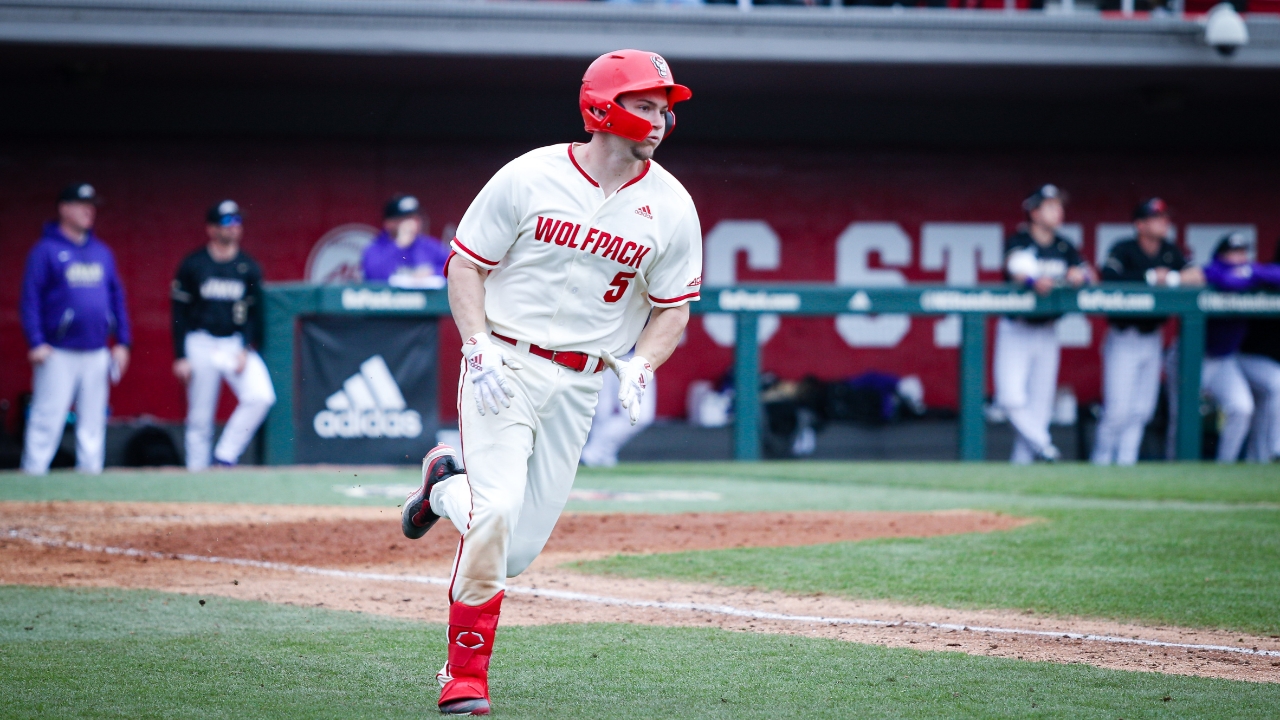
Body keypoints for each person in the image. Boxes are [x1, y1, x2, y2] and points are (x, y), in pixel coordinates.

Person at [398, 49, 701, 716]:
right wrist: (476, 346)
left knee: (516, 552)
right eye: (645, 105)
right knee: (498, 511)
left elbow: (672, 308)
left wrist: (641, 363)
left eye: (664, 109)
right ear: (603, 107)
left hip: (581, 383)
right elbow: (466, 267)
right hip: (502, 365)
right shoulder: (528, 176)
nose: (658, 120)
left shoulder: (673, 205)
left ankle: (444, 484)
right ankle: (464, 676)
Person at [19, 183, 132, 474]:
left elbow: (116, 297)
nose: (88, 210)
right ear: (64, 209)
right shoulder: (45, 250)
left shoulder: (101, 252)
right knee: (47, 417)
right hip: (57, 351)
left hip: (96, 350)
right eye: (81, 204)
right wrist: (36, 342)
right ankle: (32, 477)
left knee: (93, 421)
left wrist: (122, 342)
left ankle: (89, 484)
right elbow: (30, 298)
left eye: (91, 205)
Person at [1091, 198, 1203, 465]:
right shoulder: (1124, 249)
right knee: (1117, 411)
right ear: (1140, 225)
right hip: (1123, 336)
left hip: (1152, 338)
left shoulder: (1169, 250)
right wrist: (1152, 277)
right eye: (1156, 218)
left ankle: (1126, 465)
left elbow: (1197, 275)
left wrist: (1172, 278)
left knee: (1142, 410)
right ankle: (1100, 463)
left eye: (1165, 217)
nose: (1164, 222)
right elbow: (1107, 277)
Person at [171, 200, 276, 471]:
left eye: (237, 222)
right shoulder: (194, 264)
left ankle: (225, 456)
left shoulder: (248, 266)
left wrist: (243, 347)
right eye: (227, 222)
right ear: (212, 229)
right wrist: (181, 355)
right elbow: (179, 312)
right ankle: (197, 474)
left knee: (261, 395)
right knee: (200, 416)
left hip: (232, 343)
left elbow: (254, 315)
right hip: (200, 341)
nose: (234, 227)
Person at [993, 184, 1094, 464]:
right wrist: (1032, 280)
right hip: (1017, 328)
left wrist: (1079, 276)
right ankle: (1045, 446)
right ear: (1035, 212)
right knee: (1010, 398)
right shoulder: (1019, 240)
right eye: (1050, 206)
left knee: (1040, 405)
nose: (1058, 211)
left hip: (1048, 330)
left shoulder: (1064, 246)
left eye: (1059, 206)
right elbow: (1016, 268)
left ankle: (1024, 465)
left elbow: (1090, 274)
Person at [1198, 232, 1280, 462]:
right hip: (1195, 356)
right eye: (1233, 252)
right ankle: (1176, 463)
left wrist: (1252, 271)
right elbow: (1228, 281)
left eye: (1242, 252)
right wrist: (1250, 275)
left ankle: (1226, 465)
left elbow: (1276, 273)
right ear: (1221, 255)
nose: (1239, 257)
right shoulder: (1212, 269)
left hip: (1224, 360)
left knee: (1242, 408)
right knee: (1181, 416)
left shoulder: (1250, 270)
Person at [1238, 241, 1280, 463]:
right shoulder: (1266, 272)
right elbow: (1262, 272)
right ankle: (1275, 450)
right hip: (1247, 356)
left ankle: (1261, 458)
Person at [580, 354, 657, 467]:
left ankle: (594, 453)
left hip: (637, 357)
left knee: (638, 416)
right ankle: (598, 456)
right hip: (605, 354)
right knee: (601, 411)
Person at [361, 194, 450, 285]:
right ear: (389, 223)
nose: (411, 223)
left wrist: (432, 272)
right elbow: (372, 276)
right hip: (391, 298)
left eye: (415, 218)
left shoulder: (429, 246)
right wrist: (398, 245)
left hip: (426, 298)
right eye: (405, 219)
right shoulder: (376, 248)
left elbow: (453, 270)